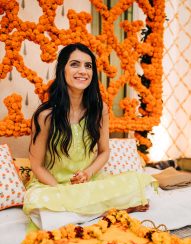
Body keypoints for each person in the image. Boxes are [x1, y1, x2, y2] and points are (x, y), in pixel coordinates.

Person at [24, 43, 155, 230]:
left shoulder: (99, 109)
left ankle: (85, 212)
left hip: (89, 184)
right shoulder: (46, 116)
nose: (83, 71)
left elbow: (104, 152)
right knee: (40, 205)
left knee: (139, 182)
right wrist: (61, 190)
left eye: (88, 66)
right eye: (75, 64)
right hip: (53, 186)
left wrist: (87, 173)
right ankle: (110, 211)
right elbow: (36, 165)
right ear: (62, 70)